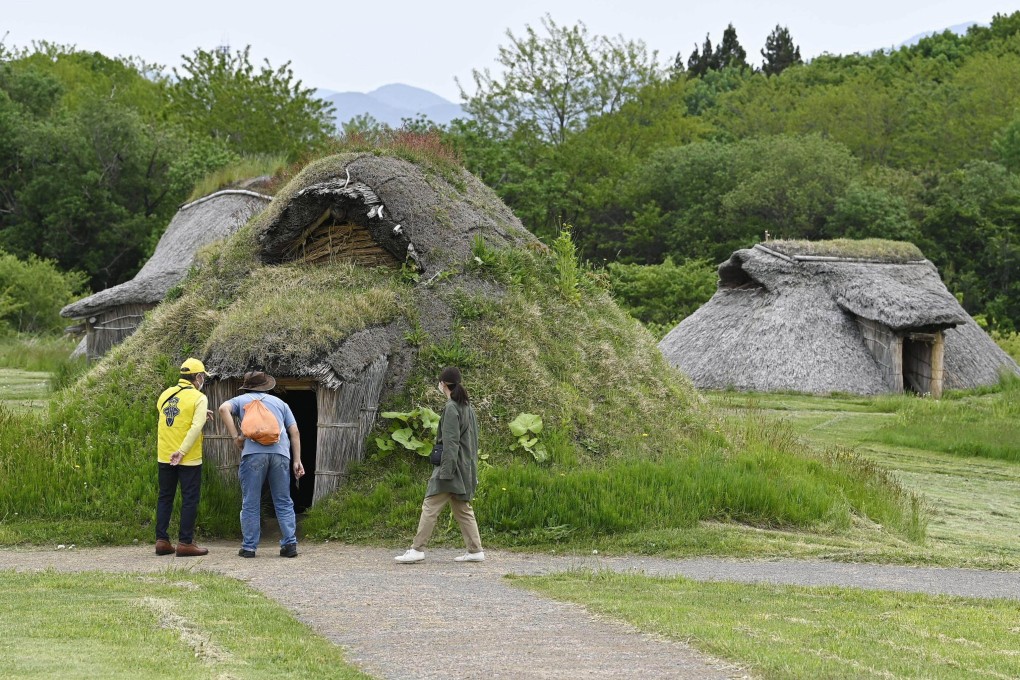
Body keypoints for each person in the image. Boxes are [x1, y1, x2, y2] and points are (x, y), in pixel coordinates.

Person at [395, 366, 484, 563]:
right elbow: (472, 442)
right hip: (465, 467)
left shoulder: (452, 407)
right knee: (462, 508)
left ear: (443, 384)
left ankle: (417, 549)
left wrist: (445, 472)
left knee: (430, 505)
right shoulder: (467, 407)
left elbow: (451, 442)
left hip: (451, 468)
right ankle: (475, 550)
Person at [218, 371, 305, 558]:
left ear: (247, 386)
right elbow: (295, 431)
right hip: (280, 454)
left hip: (253, 454)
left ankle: (249, 547)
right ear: (266, 386)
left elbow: (223, 409)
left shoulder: (241, 400)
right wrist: (297, 460)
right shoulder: (281, 404)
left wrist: (236, 438)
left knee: (251, 500)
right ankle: (290, 544)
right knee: (283, 500)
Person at [155, 358, 211, 557]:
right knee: (189, 498)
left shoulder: (165, 394)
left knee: (165, 497)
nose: (203, 380)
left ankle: (162, 540)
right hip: (188, 458)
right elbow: (196, 427)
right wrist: (182, 451)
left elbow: (171, 417)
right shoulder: (199, 398)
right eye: (202, 376)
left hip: (164, 455)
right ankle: (186, 543)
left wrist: (203, 413)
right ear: (197, 377)